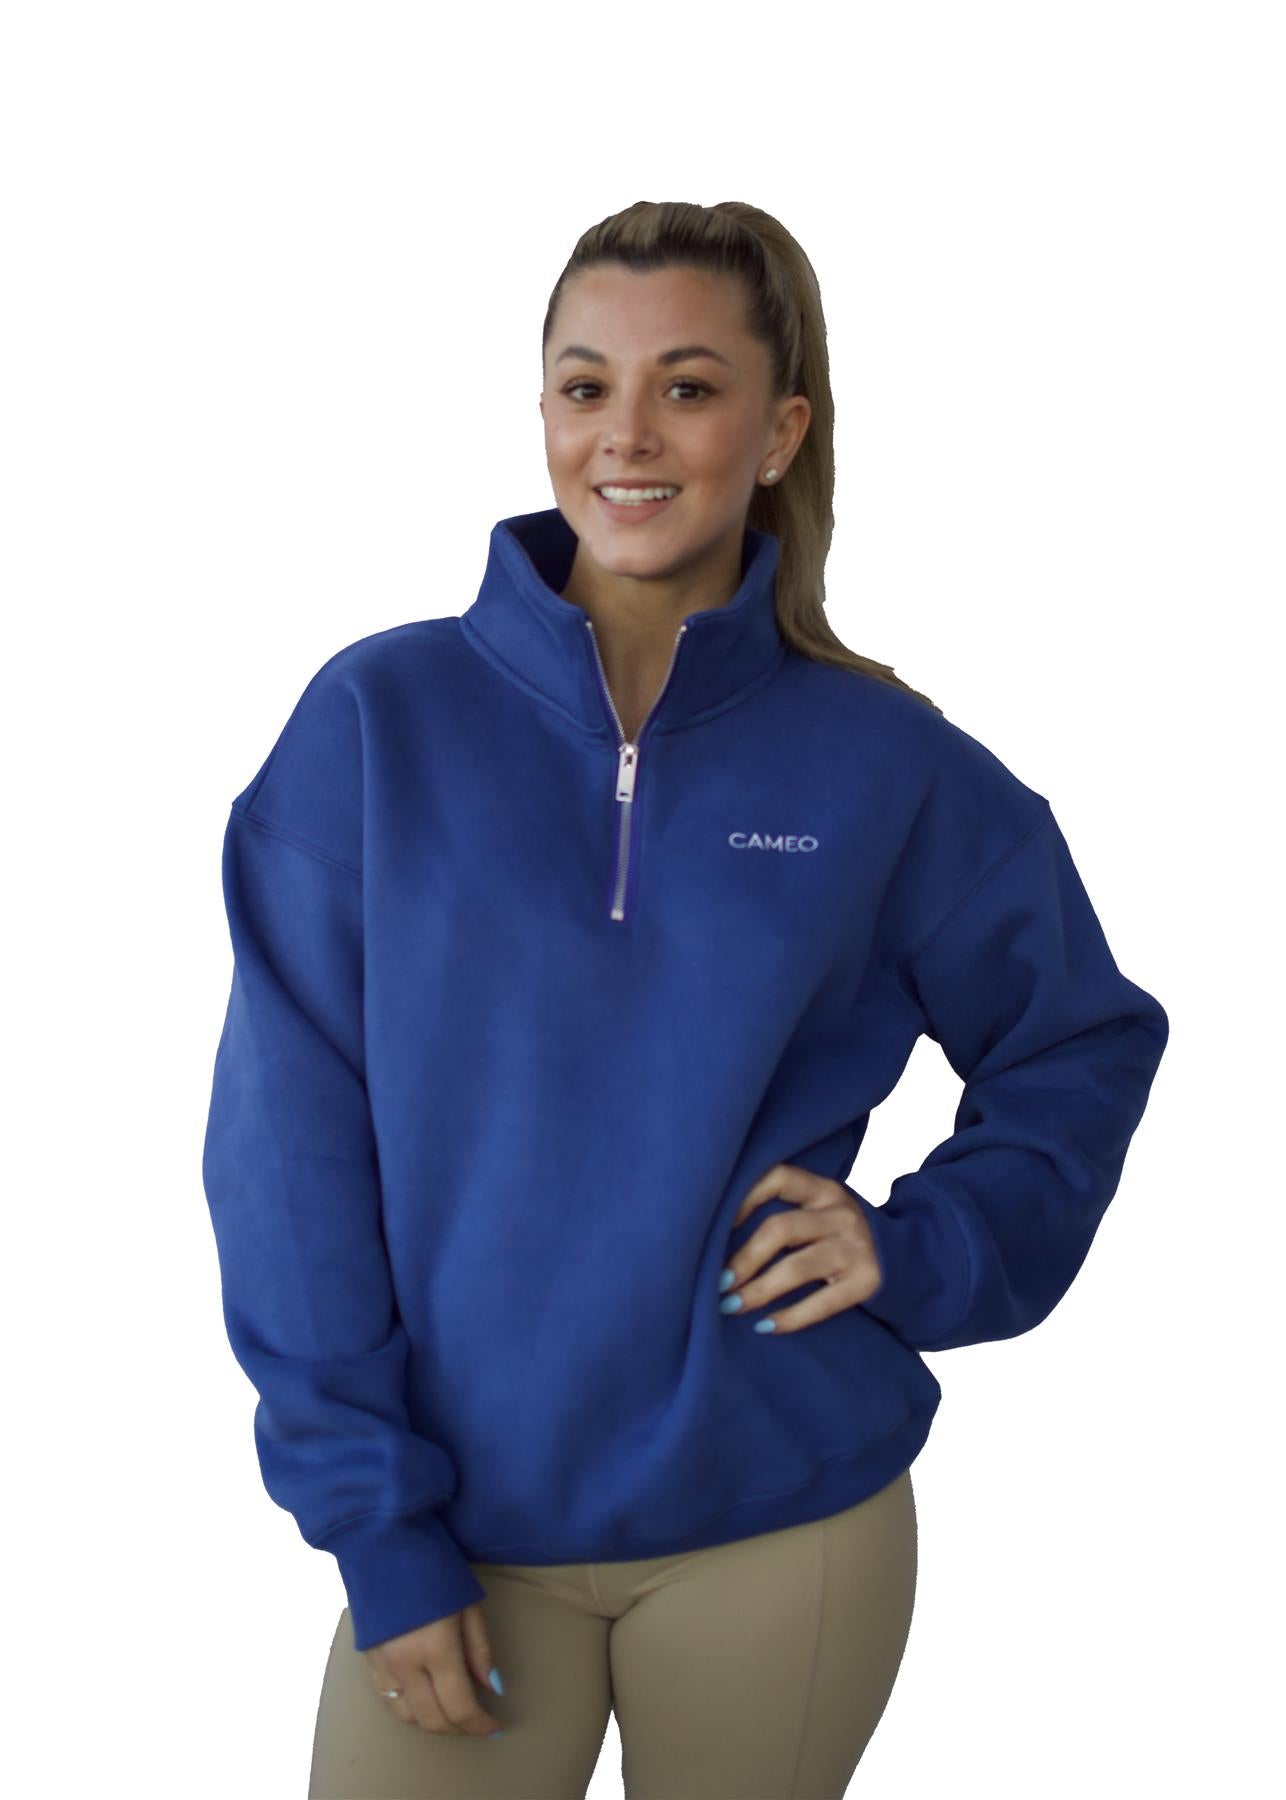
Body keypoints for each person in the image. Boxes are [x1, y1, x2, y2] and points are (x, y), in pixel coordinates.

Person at [201, 200, 1170, 1800]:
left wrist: (924, 1243)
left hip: (781, 1520)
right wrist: (374, 1519)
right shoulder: (377, 724)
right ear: (542, 412)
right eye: (586, 387)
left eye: (690, 387)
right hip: (455, 1524)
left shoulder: (882, 764)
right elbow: (286, 1158)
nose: (628, 437)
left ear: (779, 430)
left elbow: (1078, 1036)